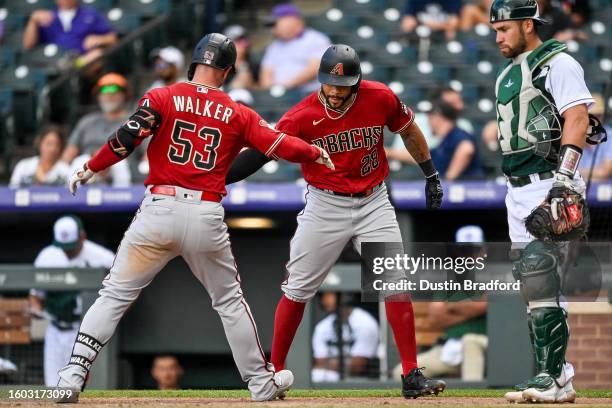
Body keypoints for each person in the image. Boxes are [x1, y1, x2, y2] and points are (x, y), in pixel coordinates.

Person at [57, 33, 334, 403]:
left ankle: (73, 374)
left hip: (158, 208)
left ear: (194, 62)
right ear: (229, 70)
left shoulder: (162, 96)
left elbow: (128, 136)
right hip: (205, 214)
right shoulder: (238, 112)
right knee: (230, 302)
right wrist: (313, 153)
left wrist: (90, 167)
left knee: (113, 295)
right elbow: (279, 144)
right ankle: (261, 384)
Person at [226, 44, 446, 399]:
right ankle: (273, 374)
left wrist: (431, 174)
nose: (335, 92)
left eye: (343, 88)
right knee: (297, 288)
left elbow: (409, 130)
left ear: (356, 85)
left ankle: (410, 375)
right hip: (325, 204)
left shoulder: (380, 97)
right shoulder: (301, 115)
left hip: (374, 199)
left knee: (395, 282)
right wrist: (219, 177)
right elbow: (263, 152)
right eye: (330, 85)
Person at [490, 0, 595, 402]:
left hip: (551, 181)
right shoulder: (507, 73)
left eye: (504, 30)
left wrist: (566, 178)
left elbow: (578, 117)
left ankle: (551, 378)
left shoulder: (558, 62)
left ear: (528, 25)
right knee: (533, 286)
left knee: (540, 272)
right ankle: (557, 377)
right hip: (516, 188)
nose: (498, 37)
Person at [393, 226, 488, 381]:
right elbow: (435, 317)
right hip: (449, 348)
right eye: (465, 251)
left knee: (470, 341)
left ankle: (473, 401)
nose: (469, 255)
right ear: (457, 253)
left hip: (485, 346)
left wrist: (451, 306)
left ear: (483, 251)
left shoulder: (496, 275)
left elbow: (486, 306)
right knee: (401, 374)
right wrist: (473, 309)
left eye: (474, 250)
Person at [30, 215, 115, 387]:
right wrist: (36, 309)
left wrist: (111, 319)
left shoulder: (103, 257)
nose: (67, 251)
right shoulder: (47, 256)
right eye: (64, 246)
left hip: (86, 332)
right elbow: (35, 296)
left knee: (87, 388)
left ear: (82, 237)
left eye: (71, 246)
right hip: (55, 328)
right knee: (53, 386)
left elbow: (126, 291)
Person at [62, 73, 133, 185]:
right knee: (78, 163)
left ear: (124, 94)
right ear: (98, 96)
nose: (109, 94)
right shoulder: (87, 122)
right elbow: (68, 156)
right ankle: (71, 199)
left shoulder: (134, 121)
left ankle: (122, 201)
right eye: (104, 91)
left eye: (114, 90)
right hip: (87, 175)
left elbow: (147, 157)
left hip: (121, 175)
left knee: (118, 164)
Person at [386, 101, 484, 180]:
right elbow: (421, 156)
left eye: (429, 117)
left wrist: (449, 179)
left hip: (470, 191)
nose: (428, 122)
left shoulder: (456, 134)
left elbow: (467, 149)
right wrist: (388, 153)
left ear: (437, 116)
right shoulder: (444, 141)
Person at [259, 3, 331, 92]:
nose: (273, 28)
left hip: (308, 94)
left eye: (275, 23)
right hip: (280, 97)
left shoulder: (316, 39)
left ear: (292, 20)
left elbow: (315, 68)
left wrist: (285, 86)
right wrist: (270, 91)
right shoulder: (274, 46)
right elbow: (266, 73)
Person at [22, 0, 117, 66]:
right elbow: (28, 45)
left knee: (97, 54)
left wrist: (99, 39)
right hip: (51, 62)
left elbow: (113, 39)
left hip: (81, 63)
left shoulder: (90, 14)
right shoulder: (46, 16)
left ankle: (73, 65)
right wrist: (33, 21)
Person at [311, 292, 379, 382]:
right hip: (330, 374)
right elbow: (319, 361)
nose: (324, 300)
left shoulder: (365, 322)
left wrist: (328, 364)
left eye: (328, 294)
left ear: (344, 296)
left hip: (362, 378)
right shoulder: (323, 326)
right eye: (323, 296)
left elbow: (358, 365)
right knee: (315, 375)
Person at [223, 25, 256, 90]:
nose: (243, 43)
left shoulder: (253, 64)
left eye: (244, 40)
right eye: (238, 40)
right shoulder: (220, 67)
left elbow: (262, 89)